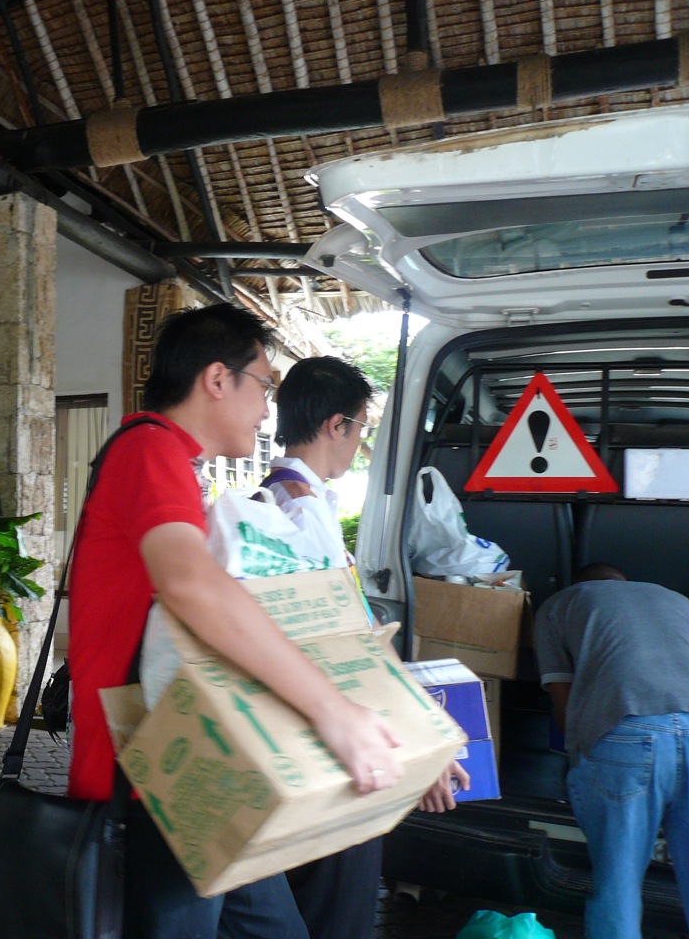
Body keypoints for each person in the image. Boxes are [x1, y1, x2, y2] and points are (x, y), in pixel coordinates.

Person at [67, 304, 403, 939]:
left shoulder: (168, 458)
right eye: (266, 386)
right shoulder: (149, 449)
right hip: (153, 773)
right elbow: (192, 585)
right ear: (218, 379)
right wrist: (331, 709)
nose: (269, 410)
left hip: (196, 767)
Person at [261, 356, 467, 939]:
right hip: (329, 755)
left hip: (320, 746)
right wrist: (414, 747)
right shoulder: (297, 515)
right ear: (336, 425)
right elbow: (339, 652)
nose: (359, 443)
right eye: (360, 428)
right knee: (335, 912)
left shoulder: (292, 503)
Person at [535, 563, 689, 939]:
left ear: (578, 585)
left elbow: (564, 703)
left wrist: (578, 760)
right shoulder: (678, 600)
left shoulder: (561, 604)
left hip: (628, 731)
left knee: (619, 884)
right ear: (626, 582)